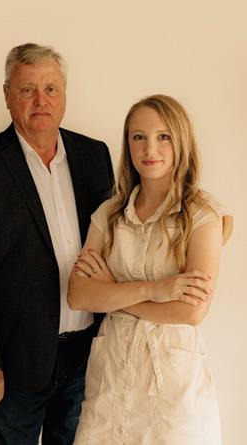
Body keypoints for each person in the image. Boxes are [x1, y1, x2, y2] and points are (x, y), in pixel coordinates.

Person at [0, 43, 114, 444]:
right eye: (27, 90)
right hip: (13, 361)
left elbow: (117, 239)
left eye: (50, 89)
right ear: (7, 96)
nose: (41, 101)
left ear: (64, 94)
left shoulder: (95, 156)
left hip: (86, 354)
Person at [68, 94, 233, 444]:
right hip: (111, 378)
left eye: (163, 136)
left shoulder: (202, 214)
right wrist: (154, 290)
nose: (149, 149)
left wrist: (112, 293)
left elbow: (191, 311)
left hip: (173, 389)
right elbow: (78, 294)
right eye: (138, 137)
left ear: (181, 140)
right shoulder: (109, 214)